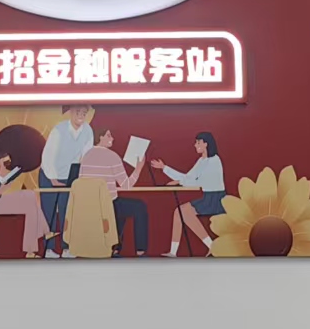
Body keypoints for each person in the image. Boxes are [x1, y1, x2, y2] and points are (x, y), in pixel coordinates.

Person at [0, 135, 49, 258]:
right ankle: (33, 246)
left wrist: (3, 173)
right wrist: (0, 190)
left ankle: (41, 233)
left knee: (30, 195)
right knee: (30, 206)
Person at [75, 128, 150, 256]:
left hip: (91, 207)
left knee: (120, 209)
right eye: (109, 135)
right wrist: (138, 168)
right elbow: (126, 185)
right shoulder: (112, 156)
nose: (112, 138)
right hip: (108, 206)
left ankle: (115, 248)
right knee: (139, 207)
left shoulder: (86, 157)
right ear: (100, 137)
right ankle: (140, 251)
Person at [153, 131, 225, 257]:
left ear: (206, 144)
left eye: (198, 142)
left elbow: (198, 181)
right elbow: (189, 177)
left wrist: (179, 181)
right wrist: (164, 168)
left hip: (215, 198)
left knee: (182, 213)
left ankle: (211, 246)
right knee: (181, 213)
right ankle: (174, 252)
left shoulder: (214, 161)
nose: (195, 145)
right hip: (208, 197)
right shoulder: (202, 161)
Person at [38, 105, 93, 259]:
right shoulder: (59, 130)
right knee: (49, 212)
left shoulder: (88, 131)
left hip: (69, 175)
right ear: (71, 113)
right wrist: (53, 179)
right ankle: (48, 249)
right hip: (49, 175)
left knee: (67, 212)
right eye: (78, 112)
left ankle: (66, 247)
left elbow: (86, 156)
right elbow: (48, 157)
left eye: (84, 113)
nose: (81, 115)